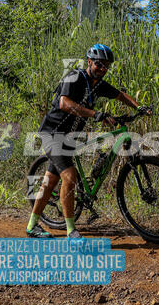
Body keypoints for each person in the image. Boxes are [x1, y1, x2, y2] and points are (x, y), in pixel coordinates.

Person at [26, 44, 150, 239]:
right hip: (53, 133)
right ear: (90, 61)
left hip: (70, 137)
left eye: (106, 66)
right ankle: (71, 231)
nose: (102, 69)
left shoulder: (99, 84)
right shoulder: (74, 77)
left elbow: (120, 95)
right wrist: (95, 114)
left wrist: (139, 106)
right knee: (70, 176)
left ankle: (32, 226)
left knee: (49, 182)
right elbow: (63, 103)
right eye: (99, 64)